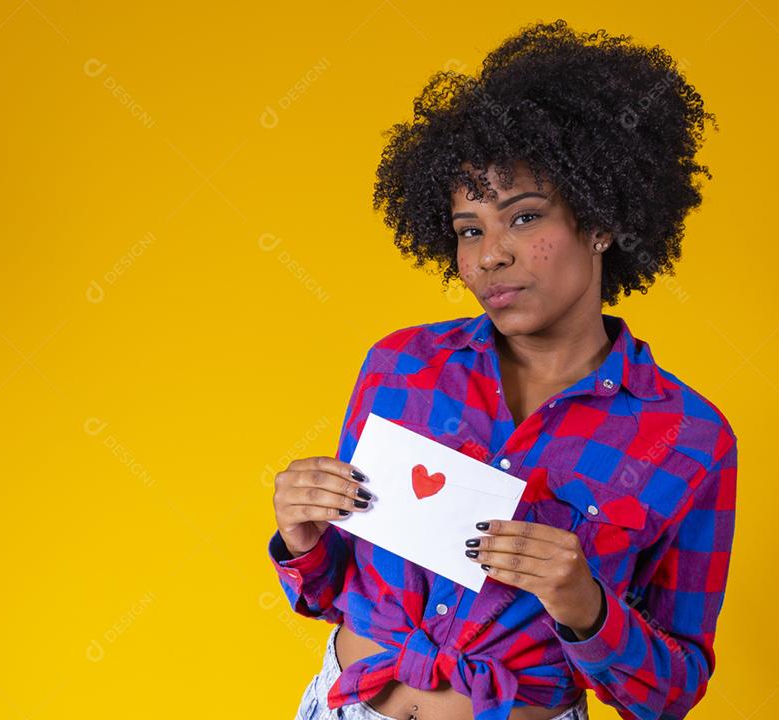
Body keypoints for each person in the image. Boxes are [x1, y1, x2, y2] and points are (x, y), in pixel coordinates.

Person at [269, 19, 736, 720]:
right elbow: (335, 592)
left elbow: (671, 691)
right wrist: (302, 540)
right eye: (469, 229)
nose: (489, 256)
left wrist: (587, 605)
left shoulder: (689, 438)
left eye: (523, 219)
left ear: (602, 220)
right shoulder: (400, 367)